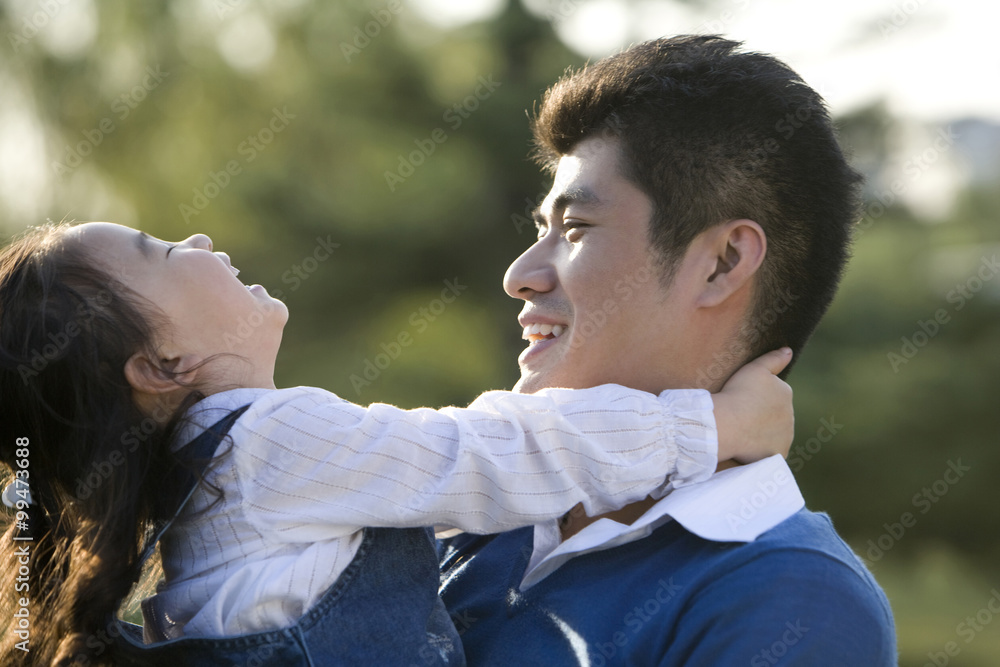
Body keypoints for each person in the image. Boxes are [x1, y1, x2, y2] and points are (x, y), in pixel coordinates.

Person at [0, 220, 792, 666]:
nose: (202, 238)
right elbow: (490, 453)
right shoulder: (273, 442)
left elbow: (444, 464)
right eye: (167, 253)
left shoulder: (198, 489)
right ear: (163, 364)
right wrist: (713, 425)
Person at [439, 35, 898, 665]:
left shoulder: (790, 596)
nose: (519, 275)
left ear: (722, 263)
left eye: (574, 230)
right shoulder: (475, 511)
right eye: (539, 230)